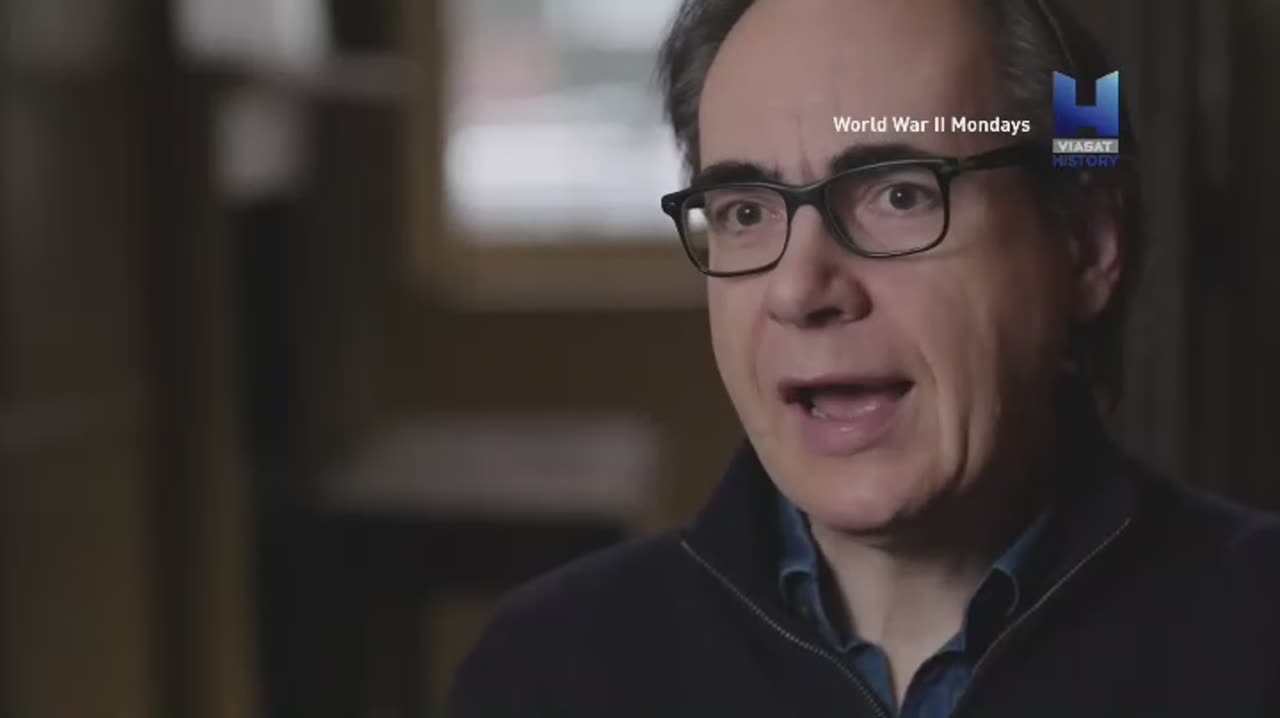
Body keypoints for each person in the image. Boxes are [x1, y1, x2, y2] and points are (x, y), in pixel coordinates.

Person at [449, 1, 1280, 716]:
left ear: (1088, 245)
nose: (798, 288)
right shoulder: (552, 674)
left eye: (899, 194)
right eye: (746, 212)